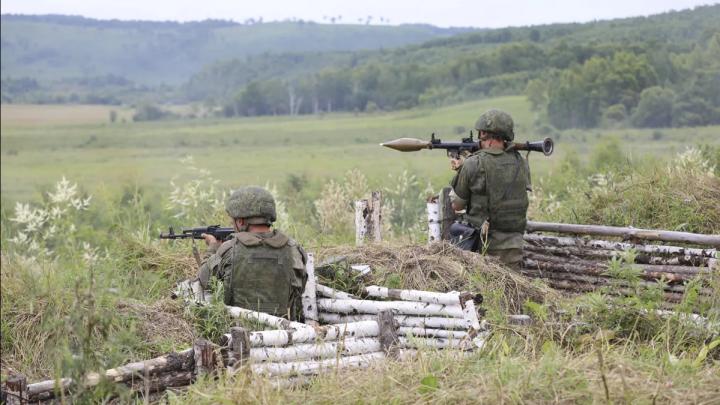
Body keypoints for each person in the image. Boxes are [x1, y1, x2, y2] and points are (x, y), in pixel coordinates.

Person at [196, 186, 308, 320]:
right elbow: (299, 289)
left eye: (233, 220)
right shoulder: (293, 249)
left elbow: (203, 280)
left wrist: (212, 248)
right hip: (284, 332)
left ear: (241, 221)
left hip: (236, 332)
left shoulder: (229, 250)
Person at [449, 109, 531, 268]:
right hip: (514, 246)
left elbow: (456, 205)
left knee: (482, 291)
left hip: (483, 249)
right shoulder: (520, 162)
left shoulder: (473, 163)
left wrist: (461, 169)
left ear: (486, 135)